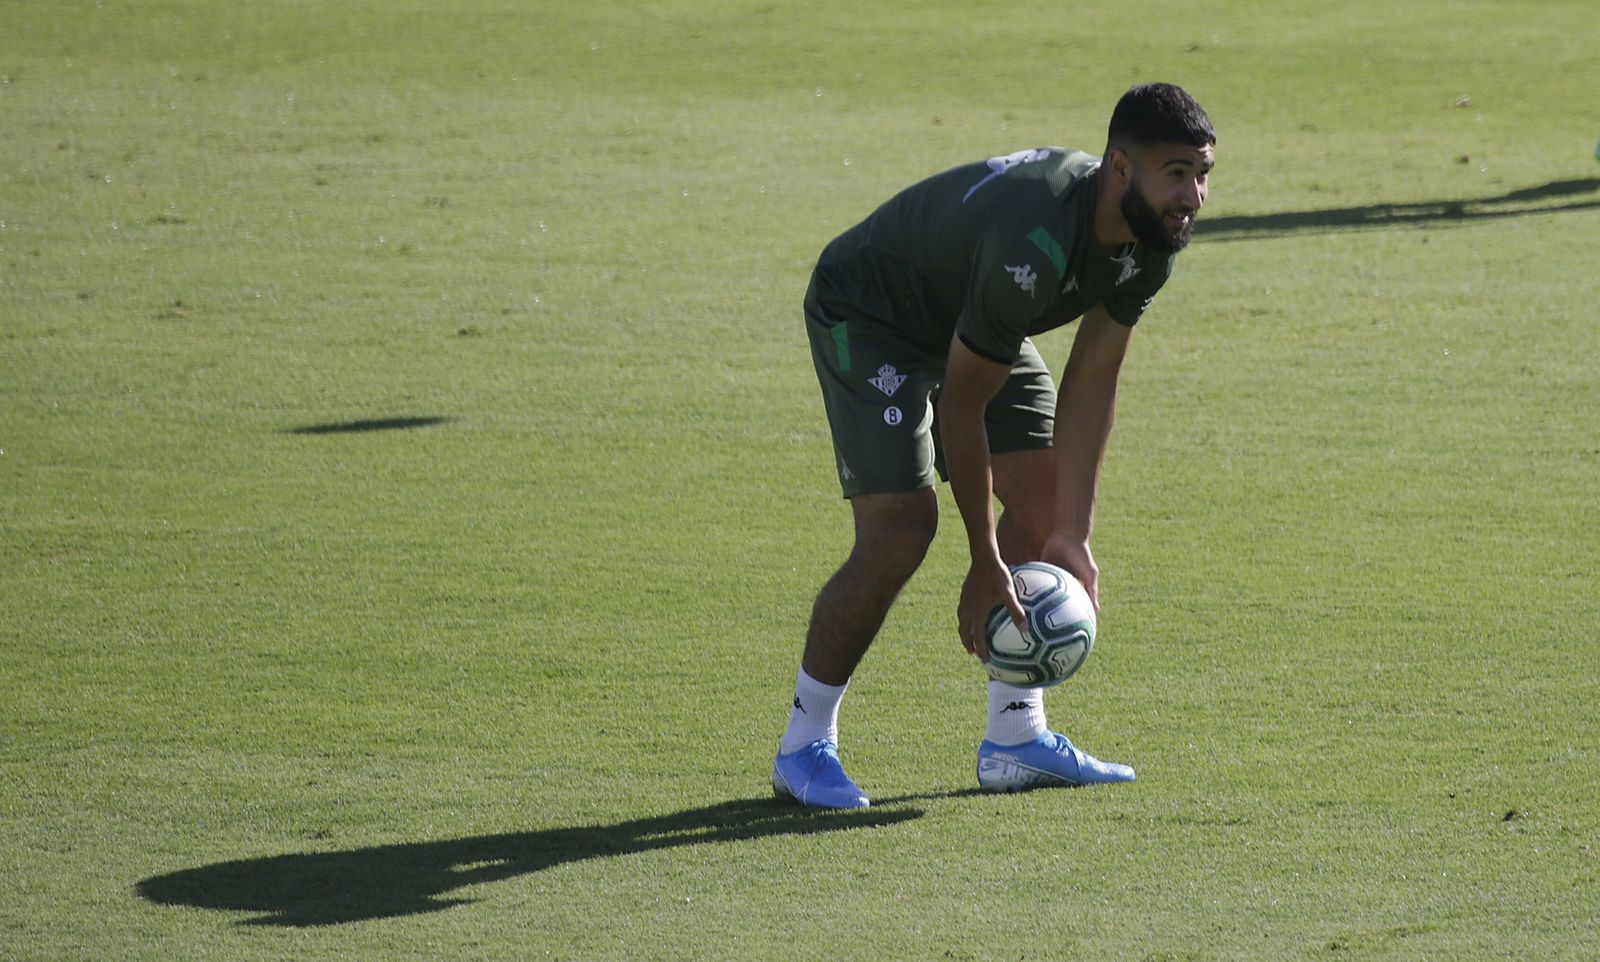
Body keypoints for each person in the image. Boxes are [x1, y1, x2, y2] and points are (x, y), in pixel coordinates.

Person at [772, 83, 1217, 808]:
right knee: (902, 528)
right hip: (872, 308)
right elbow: (965, 403)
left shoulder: (1154, 239)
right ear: (1119, 168)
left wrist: (1073, 532)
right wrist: (984, 558)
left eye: (1202, 173)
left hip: (974, 318)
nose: (1193, 195)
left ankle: (1014, 738)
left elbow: (1095, 377)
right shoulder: (1033, 241)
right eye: (1176, 173)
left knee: (1043, 504)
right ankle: (803, 745)